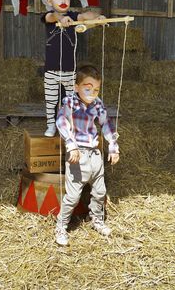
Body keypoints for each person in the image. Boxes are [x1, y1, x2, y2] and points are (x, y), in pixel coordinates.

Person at [55, 64, 120, 246]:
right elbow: (61, 121)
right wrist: (70, 144)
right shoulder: (69, 102)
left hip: (95, 155)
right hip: (78, 155)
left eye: (96, 89)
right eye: (88, 88)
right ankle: (61, 226)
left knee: (100, 192)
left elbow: (106, 123)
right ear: (77, 87)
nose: (92, 93)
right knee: (73, 196)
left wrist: (113, 146)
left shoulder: (97, 104)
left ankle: (97, 220)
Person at [41, 0, 105, 137]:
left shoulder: (73, 17)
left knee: (70, 101)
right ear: (50, 1)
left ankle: (69, 124)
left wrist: (98, 17)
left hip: (69, 71)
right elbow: (52, 16)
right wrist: (60, 18)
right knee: (51, 101)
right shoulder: (48, 16)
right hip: (51, 70)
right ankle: (51, 125)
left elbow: (85, 15)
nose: (63, 1)